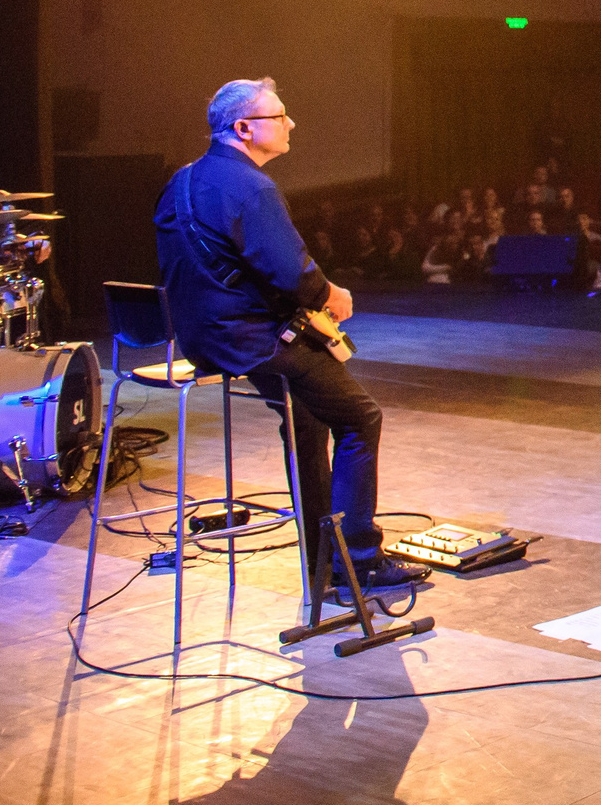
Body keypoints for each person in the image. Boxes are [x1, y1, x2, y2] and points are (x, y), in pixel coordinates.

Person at [153, 79, 428, 599]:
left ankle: (323, 561)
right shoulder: (253, 188)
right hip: (253, 340)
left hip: (201, 340)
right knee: (360, 417)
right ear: (244, 128)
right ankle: (359, 563)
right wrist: (332, 295)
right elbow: (292, 274)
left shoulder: (183, 180)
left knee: (305, 421)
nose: (291, 124)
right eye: (280, 116)